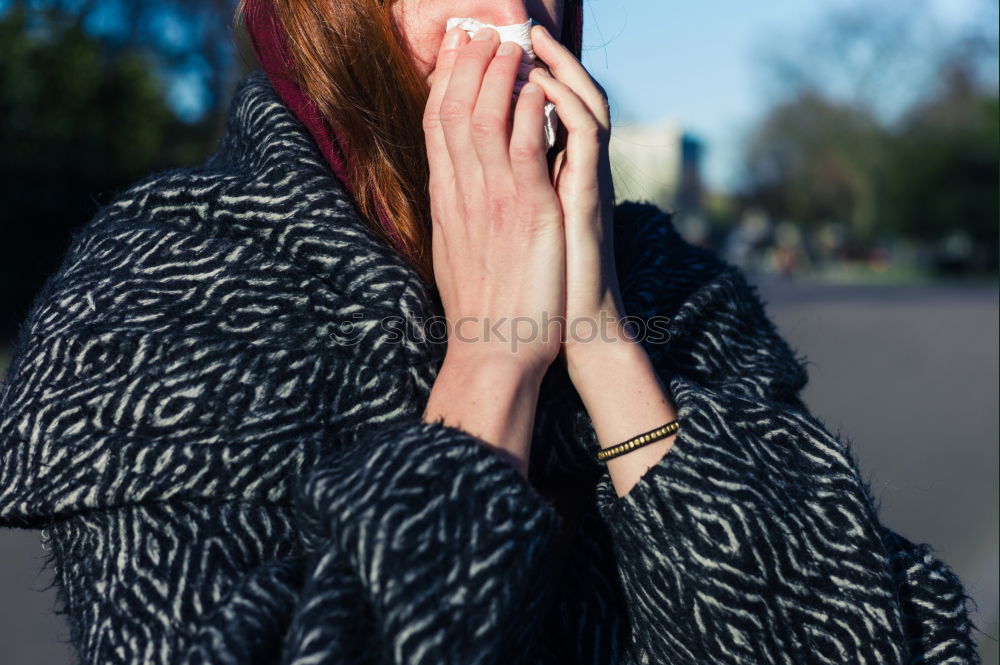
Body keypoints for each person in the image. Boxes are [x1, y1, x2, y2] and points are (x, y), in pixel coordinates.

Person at [0, 1, 981, 663]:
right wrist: (492, 362)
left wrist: (602, 341)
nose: (515, 26)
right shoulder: (166, 287)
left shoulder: (668, 282)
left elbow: (881, 634)